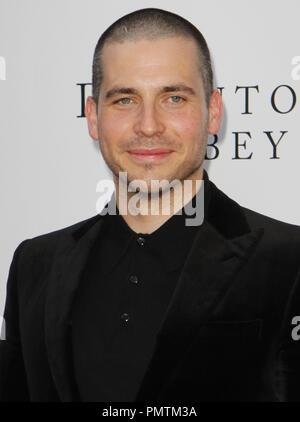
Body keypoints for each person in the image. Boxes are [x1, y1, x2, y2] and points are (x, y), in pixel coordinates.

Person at [1, 7, 300, 403]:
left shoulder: (290, 260)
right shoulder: (34, 265)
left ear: (213, 112)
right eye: (125, 100)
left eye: (173, 98)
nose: (148, 125)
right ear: (93, 116)